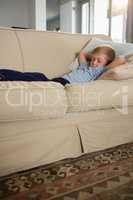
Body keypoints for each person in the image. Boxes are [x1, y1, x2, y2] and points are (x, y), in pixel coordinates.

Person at [0, 45, 125, 85]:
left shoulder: (100, 70)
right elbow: (81, 53)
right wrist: (93, 56)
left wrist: (105, 63)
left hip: (65, 85)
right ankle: (3, 74)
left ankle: (4, 76)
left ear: (106, 63)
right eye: (93, 59)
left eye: (98, 61)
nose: (94, 62)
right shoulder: (85, 66)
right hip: (59, 80)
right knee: (38, 76)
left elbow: (121, 59)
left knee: (38, 79)